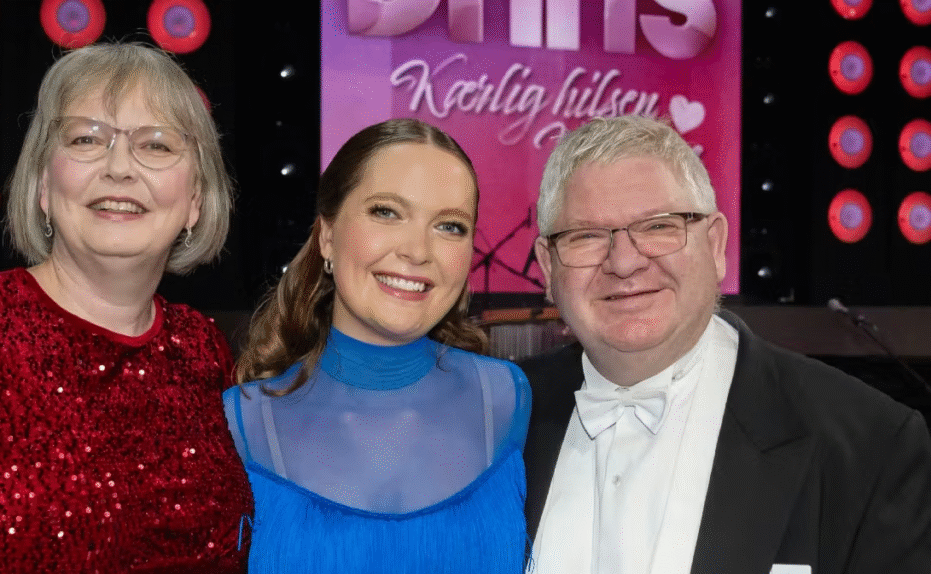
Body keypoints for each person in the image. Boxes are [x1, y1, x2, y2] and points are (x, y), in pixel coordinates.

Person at [523, 115, 931, 573]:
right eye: (586, 236)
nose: (623, 262)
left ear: (716, 245)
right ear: (548, 268)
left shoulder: (872, 445)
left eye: (658, 227)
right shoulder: (497, 421)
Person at [0, 43, 253, 573]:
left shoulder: (201, 350)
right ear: (44, 185)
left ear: (196, 202)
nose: (119, 168)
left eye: (156, 145)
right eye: (86, 139)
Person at [224, 118, 532, 573]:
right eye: (386, 212)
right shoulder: (243, 421)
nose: (417, 251)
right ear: (327, 235)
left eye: (450, 226)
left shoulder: (507, 400)